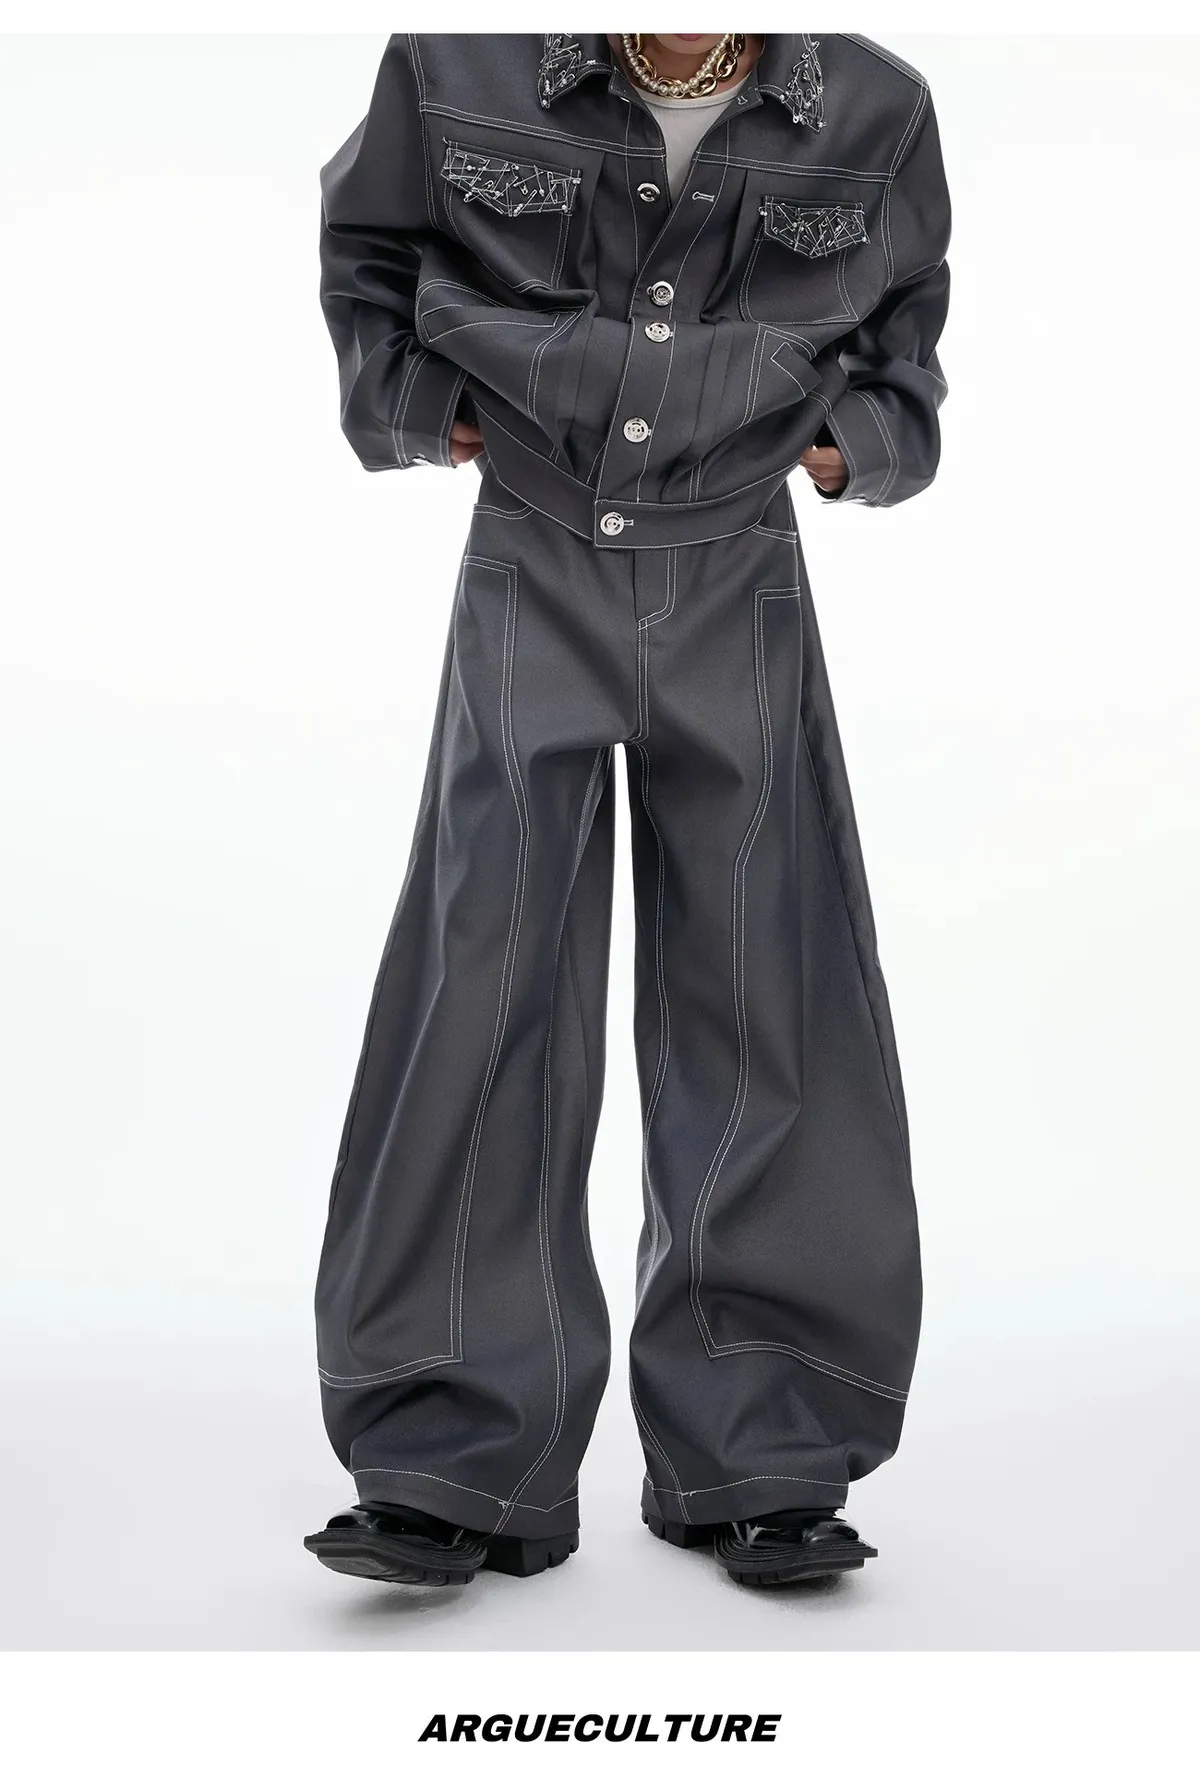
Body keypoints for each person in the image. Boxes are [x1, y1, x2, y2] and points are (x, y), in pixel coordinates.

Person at [304, 31, 950, 1591]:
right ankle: (453, 1454)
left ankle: (763, 1446)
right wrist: (419, 409)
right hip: (532, 550)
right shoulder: (449, 69)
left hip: (740, 567)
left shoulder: (877, 106)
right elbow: (369, 252)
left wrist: (849, 446)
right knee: (483, 975)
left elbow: (908, 334)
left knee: (768, 982)